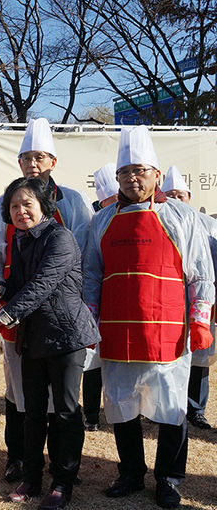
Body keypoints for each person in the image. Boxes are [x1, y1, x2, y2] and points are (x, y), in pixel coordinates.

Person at [83, 126, 214, 509]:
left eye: (140, 170)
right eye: (125, 172)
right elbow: (92, 275)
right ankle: (130, 472)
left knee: (171, 407)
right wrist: (90, 320)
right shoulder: (102, 220)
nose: (132, 178)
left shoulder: (181, 217)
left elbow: (201, 273)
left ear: (156, 173)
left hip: (167, 330)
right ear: (117, 177)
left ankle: (169, 478)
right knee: (122, 405)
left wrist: (201, 318)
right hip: (117, 329)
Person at [0, 177, 100, 510]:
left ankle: (63, 481)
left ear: (43, 205)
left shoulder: (61, 238)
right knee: (31, 413)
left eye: (27, 204)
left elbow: (40, 287)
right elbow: (17, 286)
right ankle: (32, 476)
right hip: (33, 338)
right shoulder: (21, 241)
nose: (20, 211)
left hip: (66, 337)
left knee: (67, 413)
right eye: (14, 206)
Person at [0, 118, 93, 483]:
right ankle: (19, 460)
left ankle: (65, 471)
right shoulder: (6, 201)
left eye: (40, 157)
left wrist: (3, 313)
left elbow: (66, 265)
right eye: (26, 158)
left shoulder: (72, 205)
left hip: (57, 316)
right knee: (20, 395)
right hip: (23, 319)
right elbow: (4, 254)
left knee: (62, 405)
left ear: (53, 161)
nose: (33, 163)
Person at [162, 165, 216, 430]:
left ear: (189, 197)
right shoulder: (159, 218)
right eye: (169, 194)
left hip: (198, 299)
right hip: (168, 301)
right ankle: (163, 405)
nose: (174, 199)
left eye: (179, 195)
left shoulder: (207, 224)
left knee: (199, 358)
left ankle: (196, 409)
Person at [81, 162, 119, 432]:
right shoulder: (96, 220)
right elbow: (90, 266)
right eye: (112, 198)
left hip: (121, 302)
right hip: (97, 299)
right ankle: (92, 414)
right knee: (92, 363)